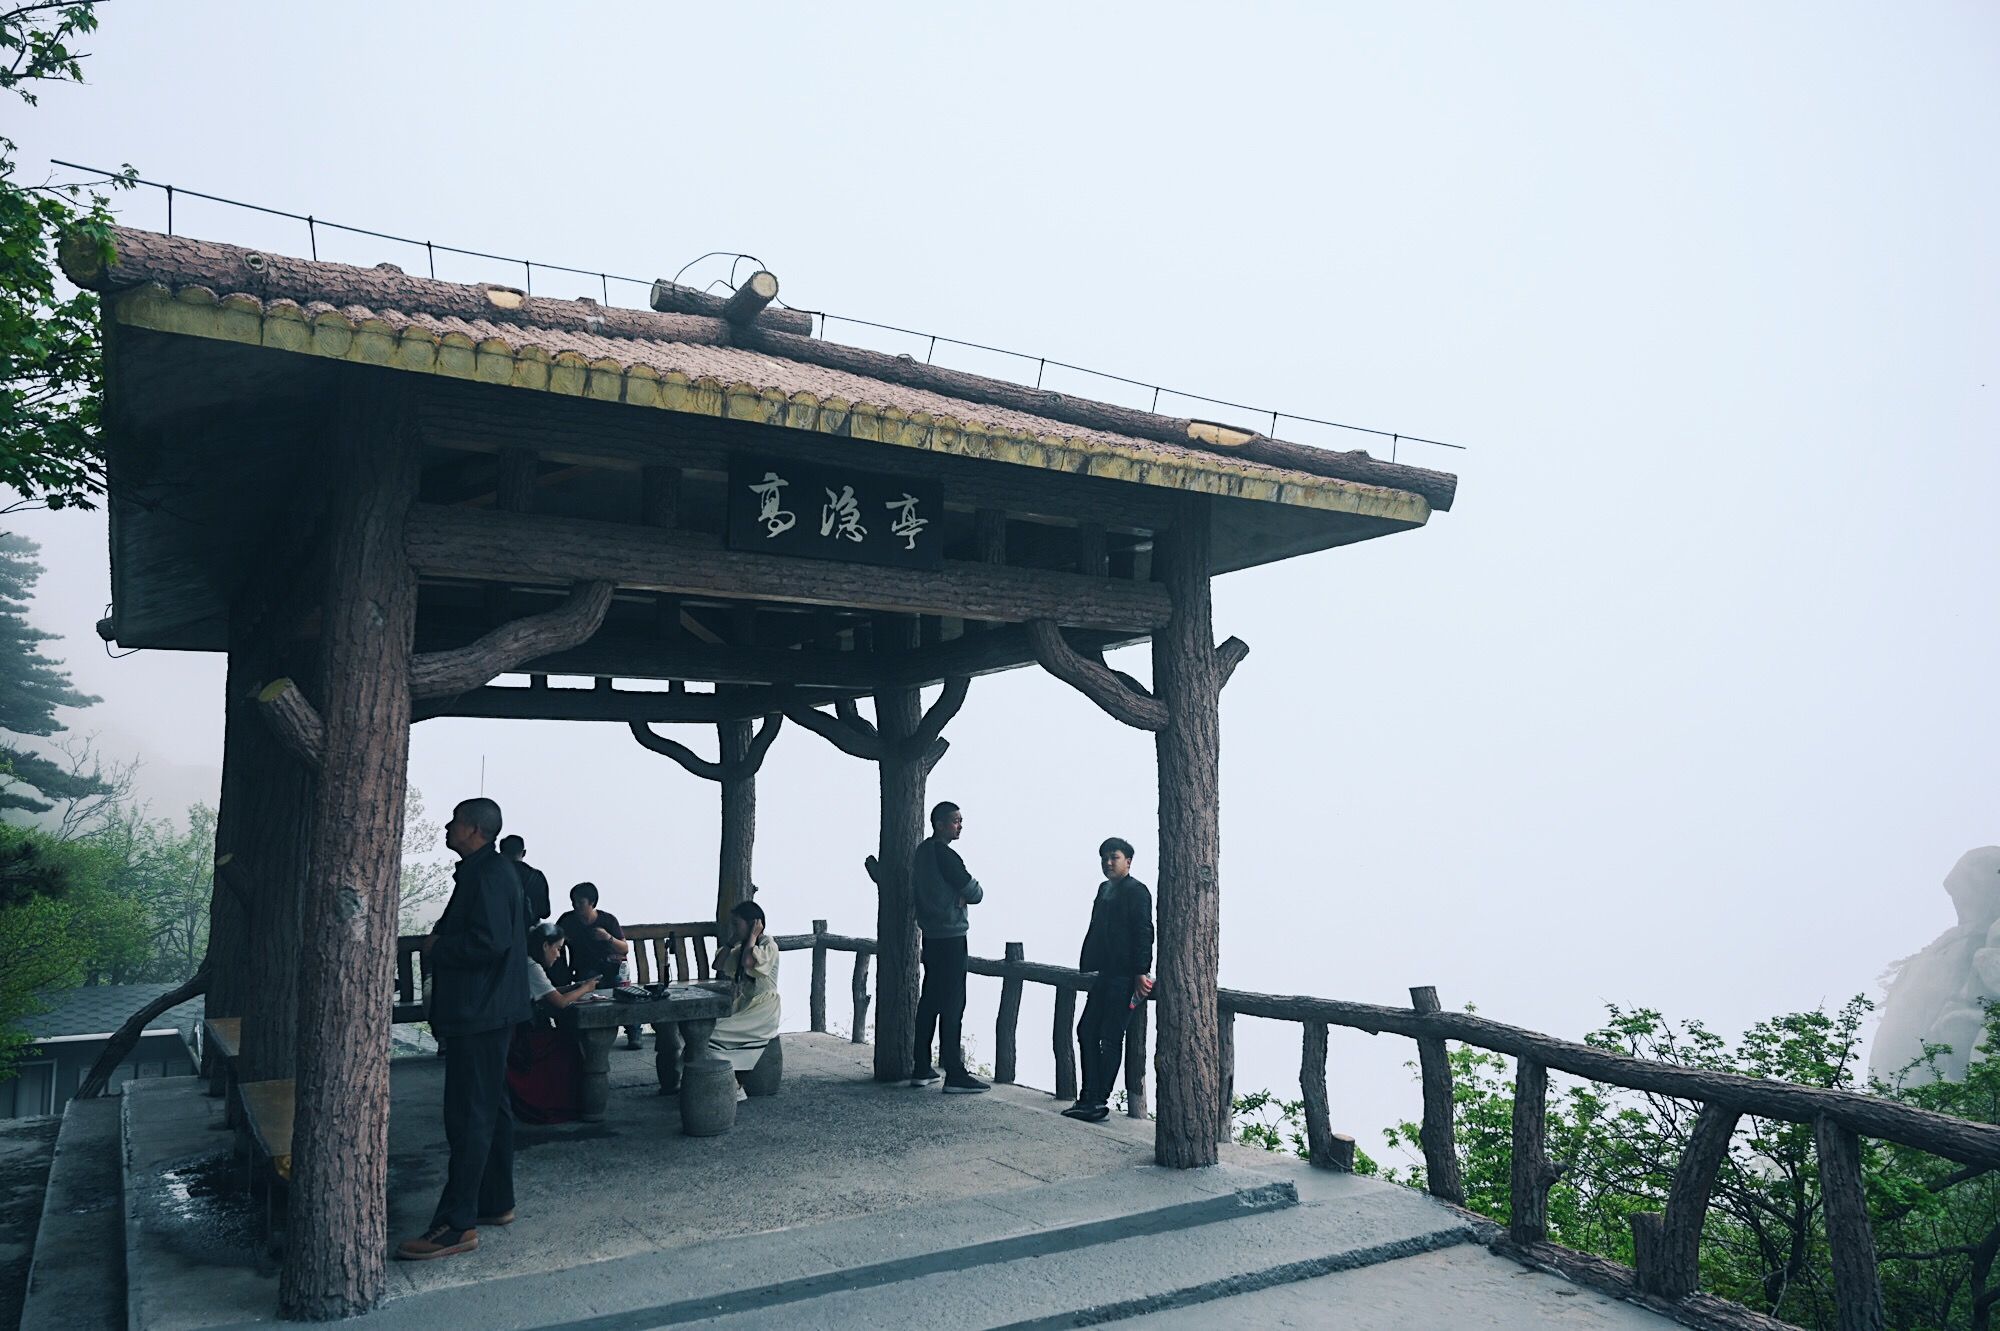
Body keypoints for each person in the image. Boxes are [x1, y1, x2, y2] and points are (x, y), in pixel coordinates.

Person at [398, 797, 529, 1262]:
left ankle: (456, 1225)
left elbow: (489, 942)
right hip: (490, 1011)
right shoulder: (487, 871)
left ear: (474, 829)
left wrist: (439, 945)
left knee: (468, 1115)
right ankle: (494, 1202)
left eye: (454, 822)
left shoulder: (489, 874)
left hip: (480, 1011)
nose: (446, 829)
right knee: (490, 1110)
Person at [1063, 837, 1154, 1124]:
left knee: (1110, 1038)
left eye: (1114, 857)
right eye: (1104, 857)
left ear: (1128, 861)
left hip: (1126, 977)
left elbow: (1144, 931)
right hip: (1105, 974)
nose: (1108, 862)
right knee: (1086, 1030)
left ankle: (1097, 1100)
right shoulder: (1105, 890)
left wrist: (1141, 970)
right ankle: (1087, 1095)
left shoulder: (1137, 891)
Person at [911, 801, 989, 1094]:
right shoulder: (947, 856)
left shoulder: (921, 853)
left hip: (930, 936)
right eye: (956, 821)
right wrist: (962, 895)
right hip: (952, 938)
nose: (960, 825)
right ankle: (954, 1073)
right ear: (940, 824)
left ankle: (921, 1066)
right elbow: (976, 893)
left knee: (929, 1001)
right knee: (954, 1003)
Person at [506, 923, 599, 1125]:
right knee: (568, 1046)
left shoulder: (525, 961)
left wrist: (575, 987)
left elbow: (550, 991)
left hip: (514, 1027)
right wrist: (586, 988)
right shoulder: (532, 967)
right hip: (523, 1035)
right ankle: (559, 1105)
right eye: (557, 948)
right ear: (545, 946)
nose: (558, 955)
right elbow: (560, 1002)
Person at [709, 901, 781, 1102]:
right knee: (707, 1033)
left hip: (763, 1009)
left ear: (753, 924)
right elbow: (718, 964)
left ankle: (734, 1085)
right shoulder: (742, 947)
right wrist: (732, 941)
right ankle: (729, 1082)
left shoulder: (768, 945)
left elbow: (749, 962)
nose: (733, 928)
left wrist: (752, 936)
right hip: (746, 1004)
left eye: (736, 924)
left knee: (712, 1036)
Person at [555, 882, 640, 1049]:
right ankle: (590, 1034)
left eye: (580, 902)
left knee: (625, 992)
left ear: (592, 903)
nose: (575, 905)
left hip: (612, 967)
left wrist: (607, 937)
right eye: (573, 901)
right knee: (586, 984)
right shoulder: (568, 920)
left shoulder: (607, 920)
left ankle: (634, 1032)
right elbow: (554, 938)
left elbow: (625, 948)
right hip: (584, 969)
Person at [499, 834, 552, 923]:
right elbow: (545, 912)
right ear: (524, 853)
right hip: (528, 932)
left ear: (501, 853)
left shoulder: (493, 874)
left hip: (499, 928)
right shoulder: (537, 876)